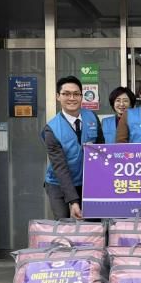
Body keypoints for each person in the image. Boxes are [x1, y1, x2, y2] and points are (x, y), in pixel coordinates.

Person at [42, 75, 104, 220]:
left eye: (76, 94)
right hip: (59, 183)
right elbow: (60, 168)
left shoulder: (92, 117)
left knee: (93, 223)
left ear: (81, 96)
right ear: (58, 96)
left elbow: (101, 149)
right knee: (65, 223)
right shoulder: (51, 129)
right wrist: (73, 201)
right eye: (66, 94)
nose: (72, 98)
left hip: (87, 182)